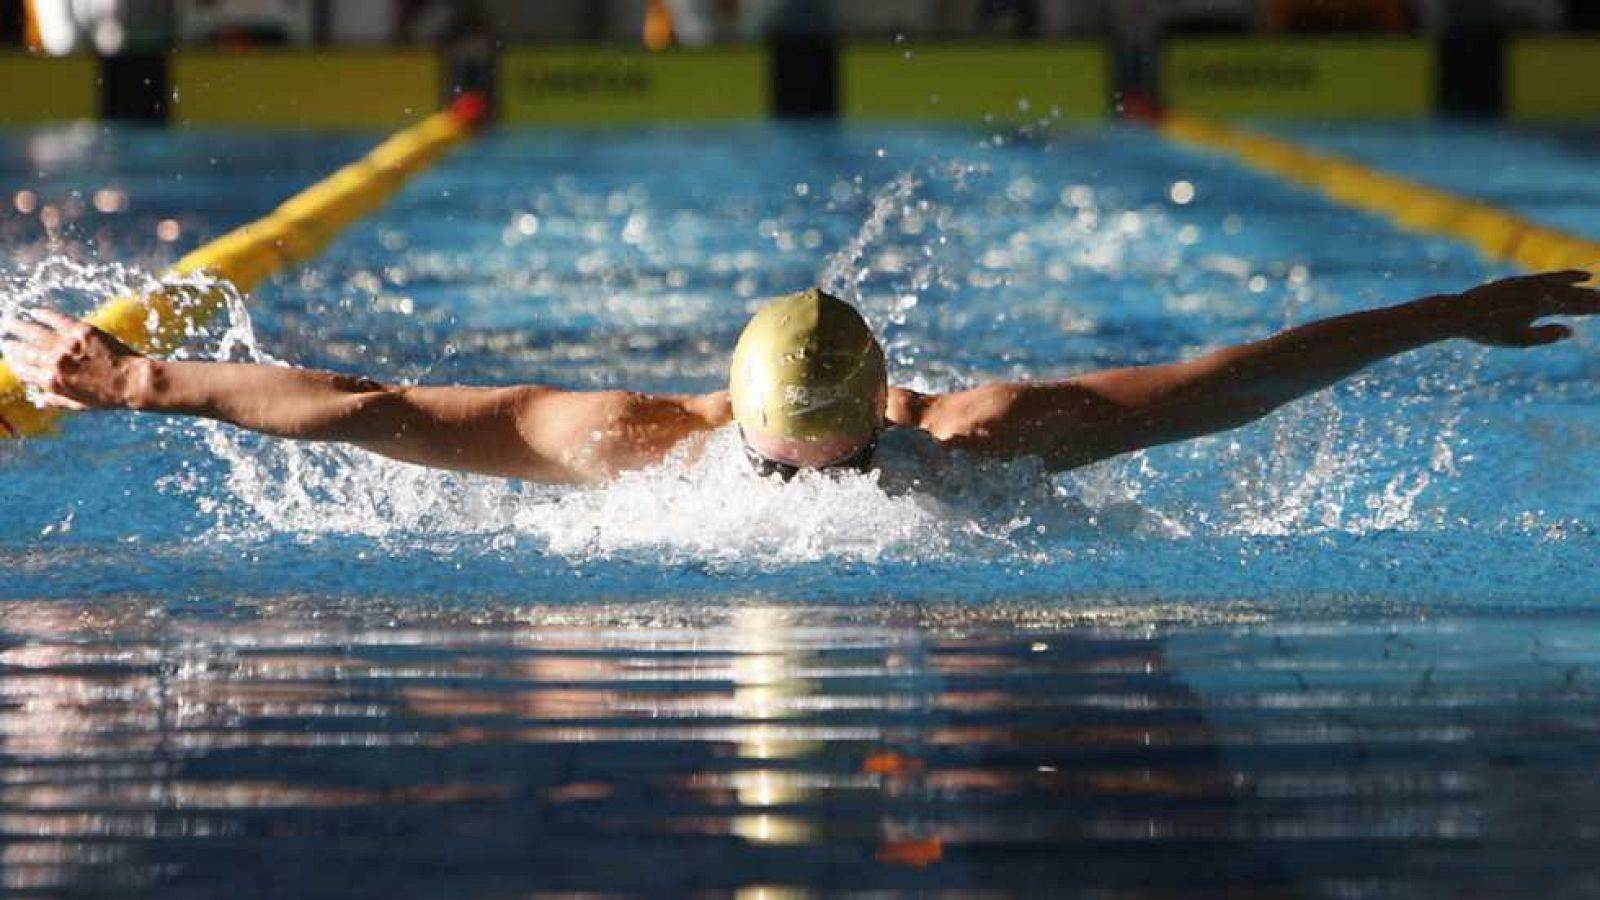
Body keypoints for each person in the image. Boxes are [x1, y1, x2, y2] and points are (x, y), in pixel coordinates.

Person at [1, 271, 1596, 484]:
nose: (802, 495)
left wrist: (1447, 313)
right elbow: (378, 410)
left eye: (825, 471)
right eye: (786, 470)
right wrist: (139, 387)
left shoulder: (973, 438)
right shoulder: (638, 442)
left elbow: (1232, 377)